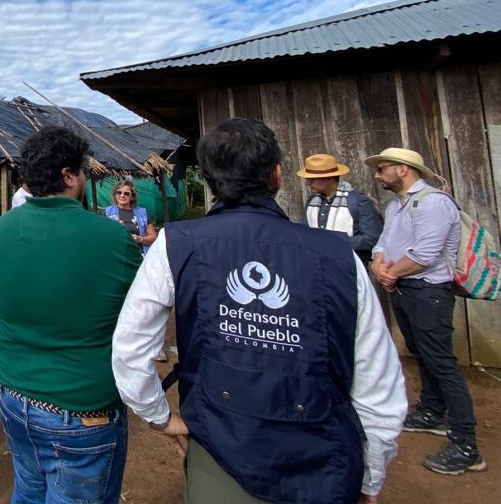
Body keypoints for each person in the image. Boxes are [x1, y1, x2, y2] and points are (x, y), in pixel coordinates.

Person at [112, 118, 407, 504]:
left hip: (218, 452)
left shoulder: (178, 244)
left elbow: (131, 350)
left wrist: (161, 417)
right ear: (277, 174)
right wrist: (370, 474)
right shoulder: (339, 256)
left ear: (210, 181)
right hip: (322, 461)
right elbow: (376, 381)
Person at [0, 126, 142, 503]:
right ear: (69, 175)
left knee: (28, 489)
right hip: (79, 411)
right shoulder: (111, 238)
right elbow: (139, 317)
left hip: (13, 396)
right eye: (83, 171)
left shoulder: (3, 227)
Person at [365, 147, 485, 475]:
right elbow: (381, 243)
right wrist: (379, 265)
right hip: (405, 290)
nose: (378, 175)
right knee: (423, 354)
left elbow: (426, 254)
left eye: (382, 169)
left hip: (429, 293)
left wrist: (389, 272)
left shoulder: (434, 203)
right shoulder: (395, 207)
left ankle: (466, 445)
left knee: (442, 363)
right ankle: (432, 413)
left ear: (403, 170)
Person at [297, 153, 383, 265]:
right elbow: (305, 233)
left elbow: (372, 238)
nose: (308, 183)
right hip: (319, 268)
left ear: (328, 178)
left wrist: (333, 242)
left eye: (312, 179)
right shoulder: (312, 202)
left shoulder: (357, 200)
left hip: (351, 268)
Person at [105, 179, 158, 251]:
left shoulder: (142, 213)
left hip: (139, 254)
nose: (122, 195)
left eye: (126, 193)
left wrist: (140, 239)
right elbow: (101, 236)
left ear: (132, 197)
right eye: (119, 193)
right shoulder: (107, 212)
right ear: (115, 194)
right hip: (116, 253)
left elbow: (153, 237)